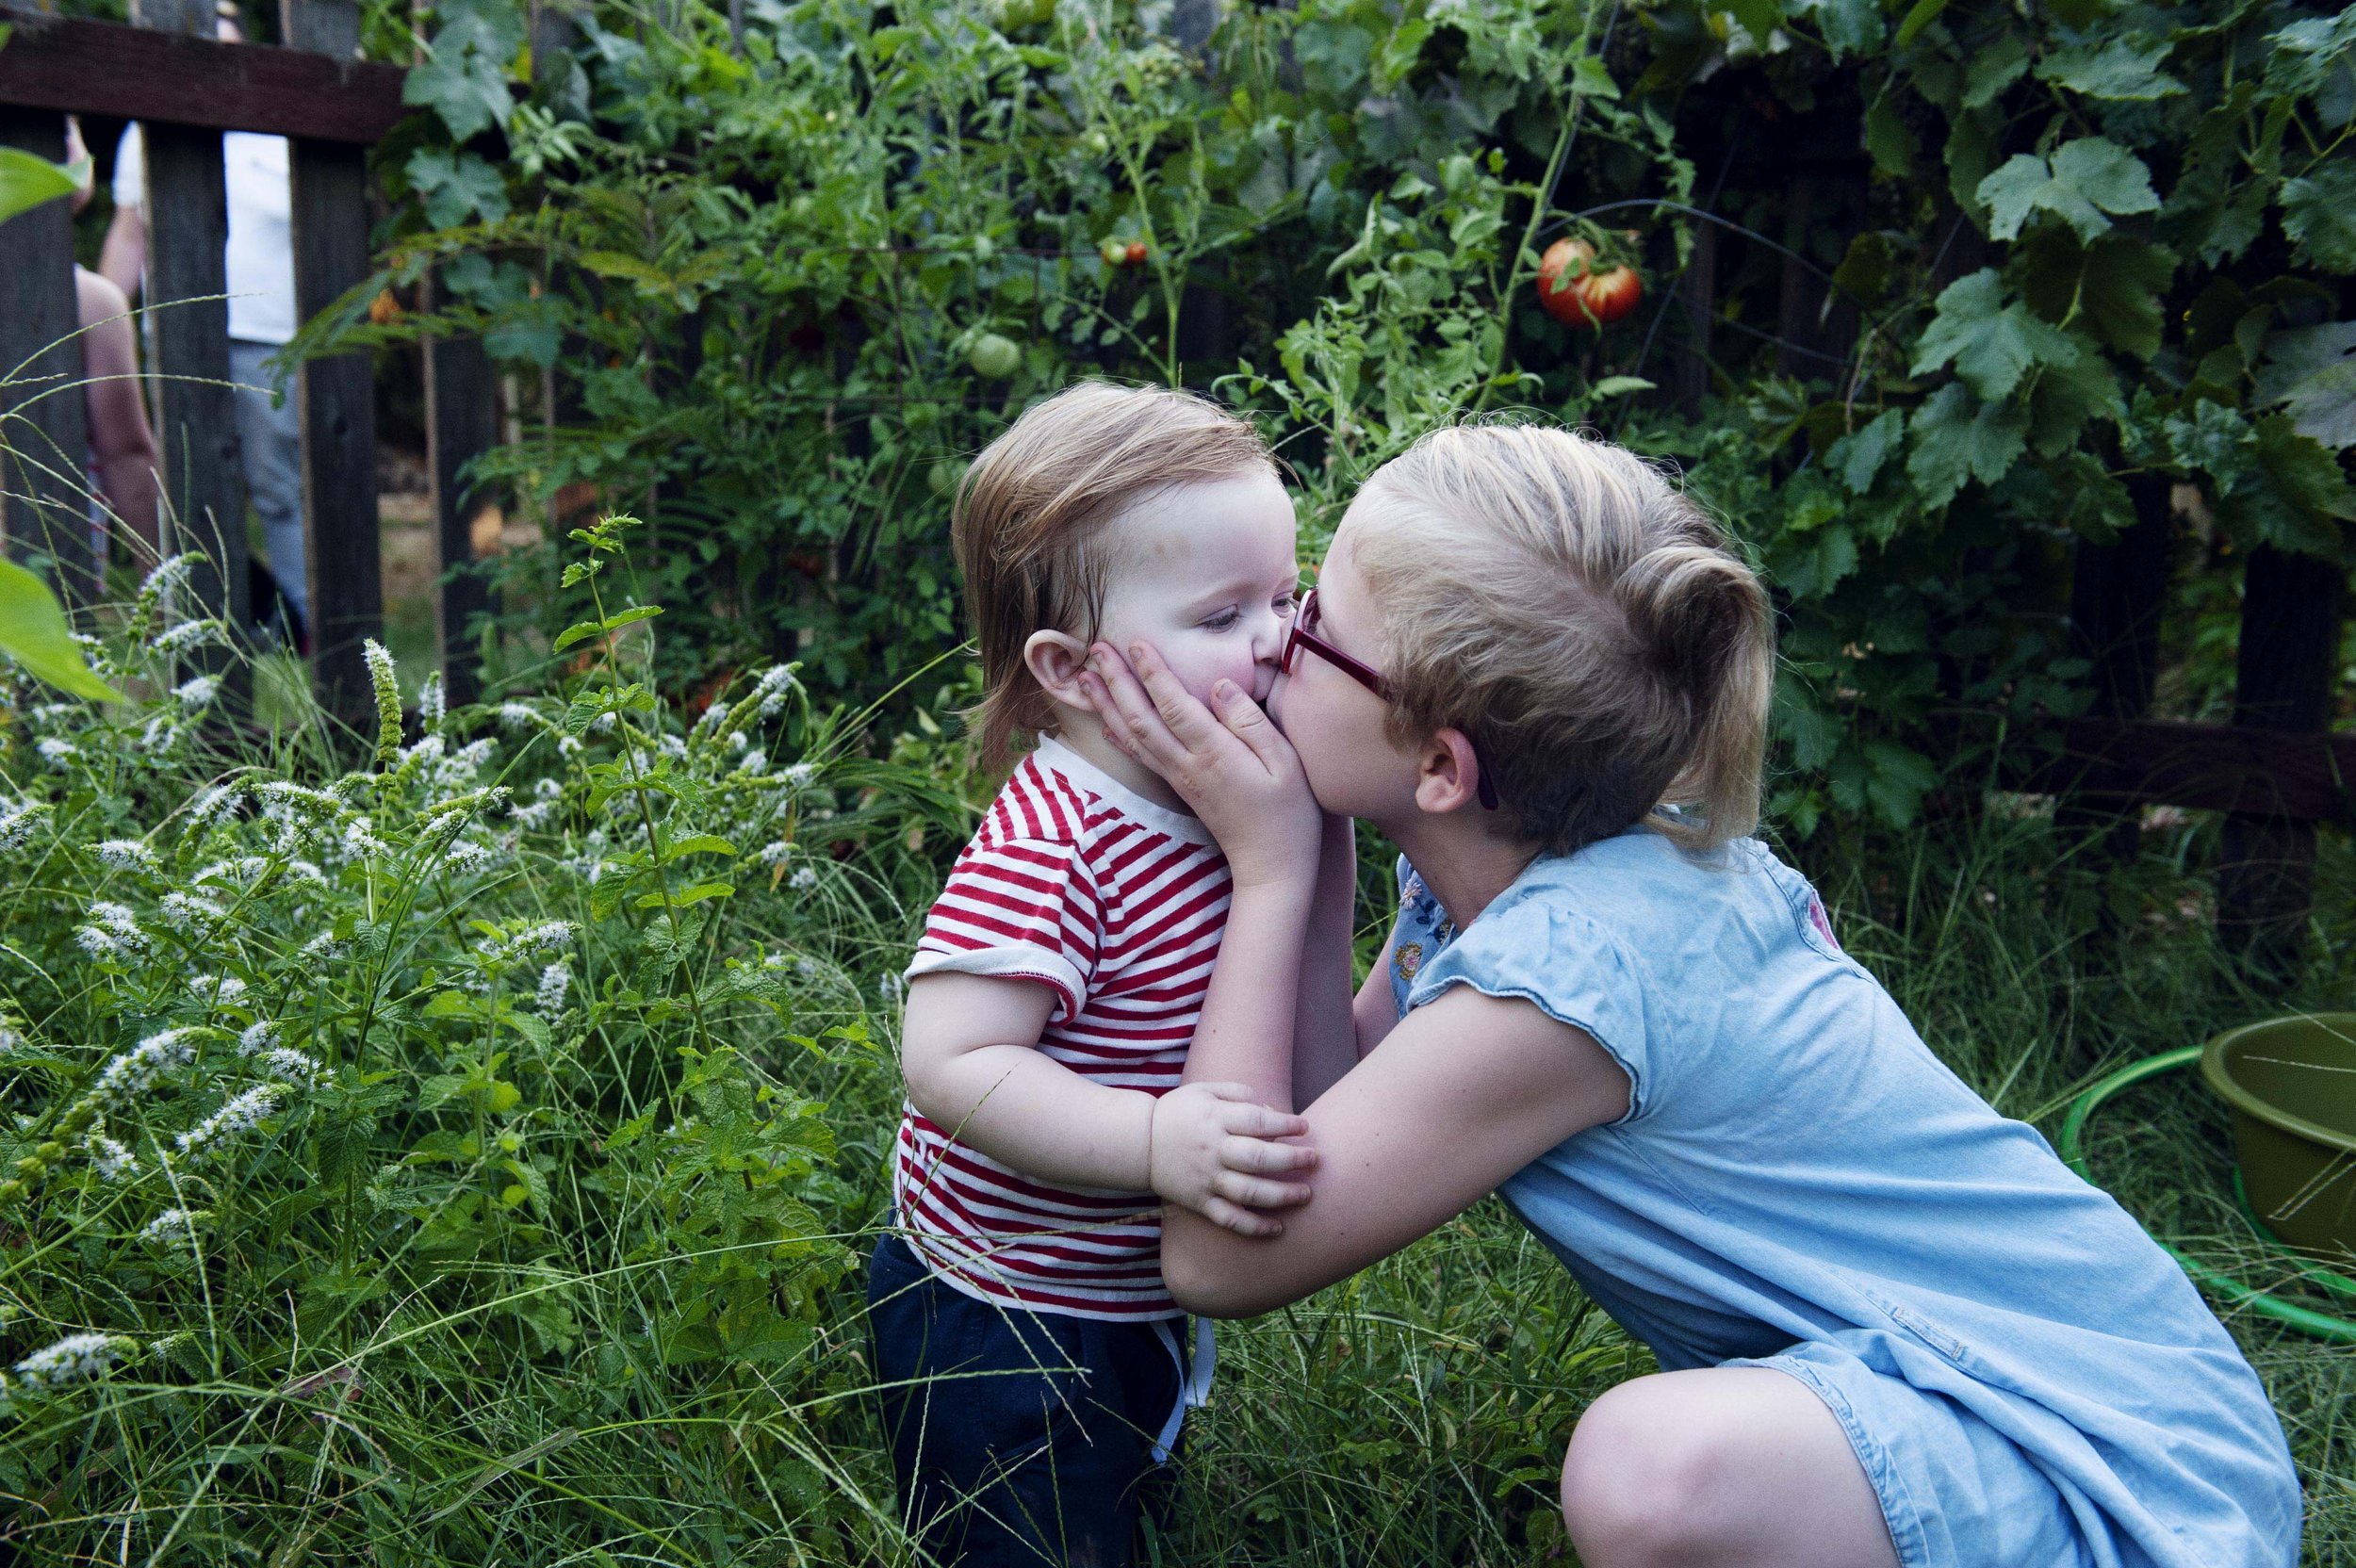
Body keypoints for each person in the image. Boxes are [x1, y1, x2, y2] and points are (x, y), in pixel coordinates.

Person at [1073, 421, 2303, 1568]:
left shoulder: (1568, 982)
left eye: (1314, 625)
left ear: (1440, 765)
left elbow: (1223, 1253)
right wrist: (1327, 842)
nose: (1275, 640)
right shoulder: (1549, 867)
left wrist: (1274, 866)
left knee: (1650, 1469)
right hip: (2084, 1405)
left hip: (2121, 1478)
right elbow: (1330, 1112)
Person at [868, 381, 1318, 1568]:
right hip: (1003, 1316)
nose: (1279, 635)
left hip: (1116, 1296)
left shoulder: (1226, 797)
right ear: (1070, 669)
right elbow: (948, 1060)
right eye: (1224, 613)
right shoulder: (1056, 840)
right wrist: (1155, 1143)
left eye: (1286, 593)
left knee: (1115, 1504)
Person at [103, 0, 308, 646]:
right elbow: (130, 233)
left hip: (271, 338)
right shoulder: (148, 129)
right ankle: (206, 629)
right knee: (188, 487)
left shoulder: (279, 130)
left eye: (217, 42)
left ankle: (309, 622)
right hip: (179, 337)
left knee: (279, 487)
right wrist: (104, 321)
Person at [60, 119, 161, 568]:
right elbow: (128, 456)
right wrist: (161, 593)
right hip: (56, 586)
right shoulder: (91, 303)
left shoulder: (90, 302)